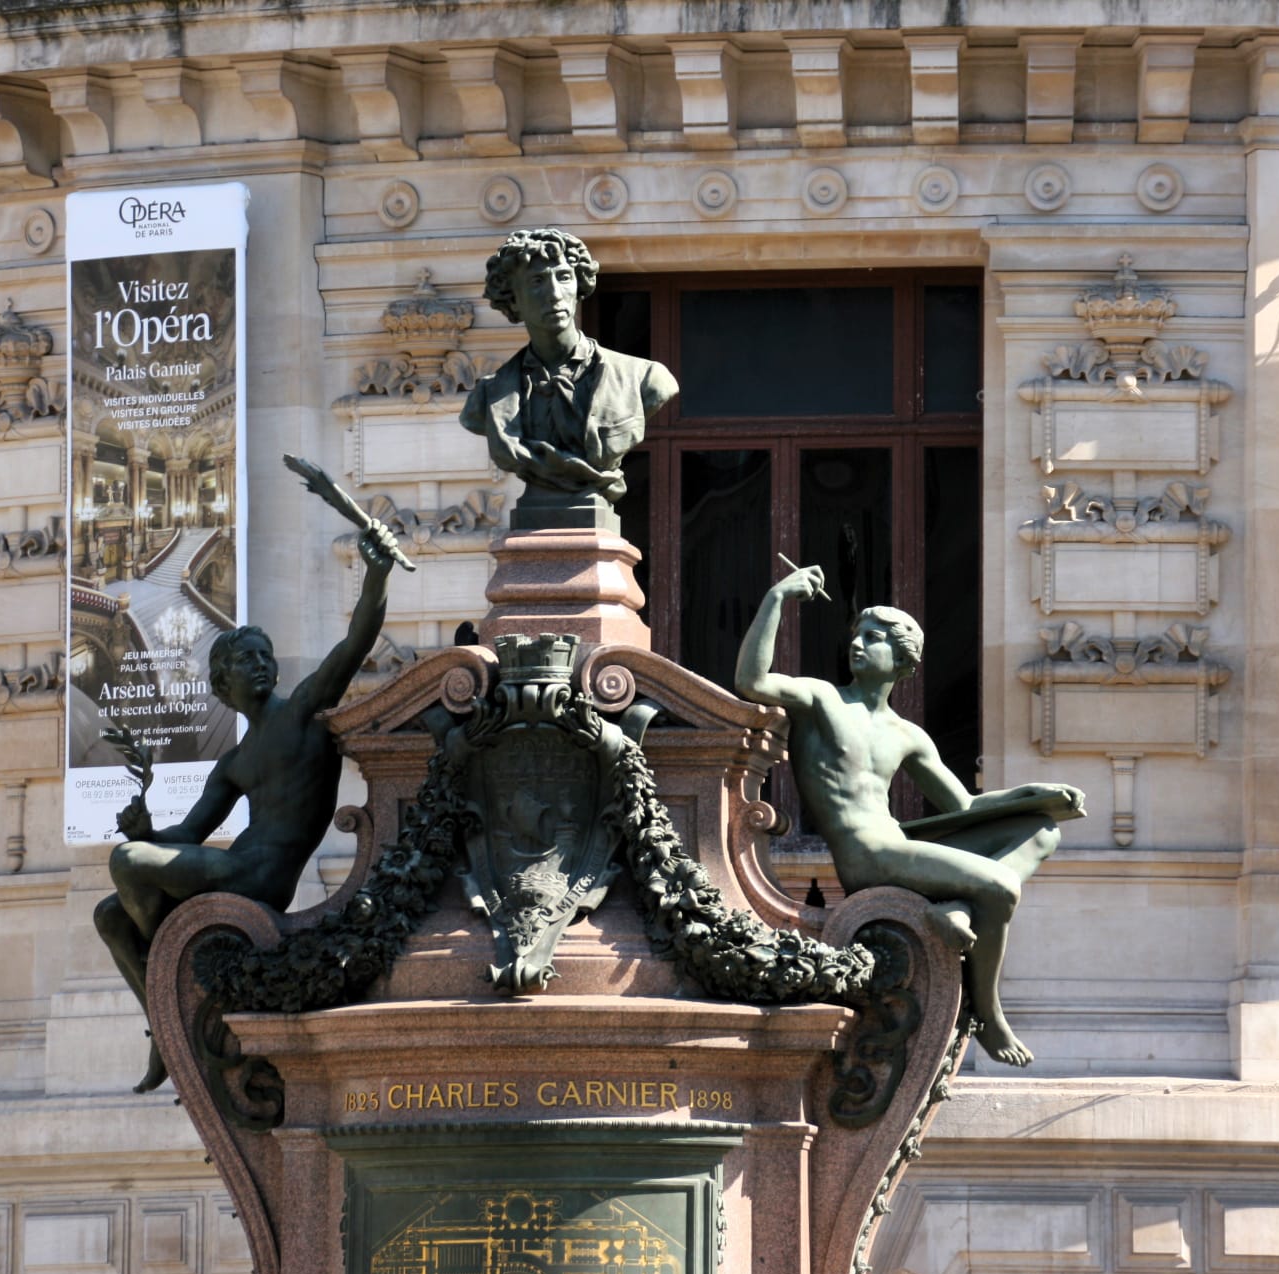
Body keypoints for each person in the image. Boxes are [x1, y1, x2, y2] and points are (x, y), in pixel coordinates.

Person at [735, 566, 1084, 1067]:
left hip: (899, 844)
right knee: (1002, 888)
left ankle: (959, 909)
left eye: (875, 638)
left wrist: (1036, 793)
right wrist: (777, 597)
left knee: (1041, 831)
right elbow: (751, 680)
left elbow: (962, 806)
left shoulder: (906, 734)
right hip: (868, 855)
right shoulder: (823, 699)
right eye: (858, 634)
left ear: (902, 662)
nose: (859, 643)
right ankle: (987, 1011)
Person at [93, 521, 396, 1092]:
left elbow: (355, 642)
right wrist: (150, 829)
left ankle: (174, 976)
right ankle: (165, 1022)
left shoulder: (303, 711)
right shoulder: (234, 761)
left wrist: (375, 574)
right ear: (221, 684)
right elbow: (186, 835)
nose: (260, 664)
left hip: (261, 878)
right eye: (245, 660)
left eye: (265, 656)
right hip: (233, 866)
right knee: (109, 913)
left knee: (129, 862)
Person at [459, 227, 677, 528]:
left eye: (563, 277)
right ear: (513, 299)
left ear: (579, 285)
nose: (554, 294)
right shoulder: (489, 397)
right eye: (537, 281)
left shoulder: (644, 378)